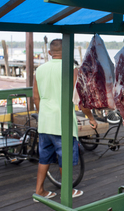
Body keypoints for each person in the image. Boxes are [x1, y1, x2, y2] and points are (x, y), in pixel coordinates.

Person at [33, 39, 97, 200]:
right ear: (68, 52)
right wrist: (91, 117)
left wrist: (44, 114)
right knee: (65, 157)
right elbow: (80, 99)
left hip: (45, 122)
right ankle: (67, 191)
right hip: (63, 123)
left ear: (49, 53)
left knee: (44, 158)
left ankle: (39, 191)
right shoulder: (72, 70)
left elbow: (35, 97)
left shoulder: (39, 70)